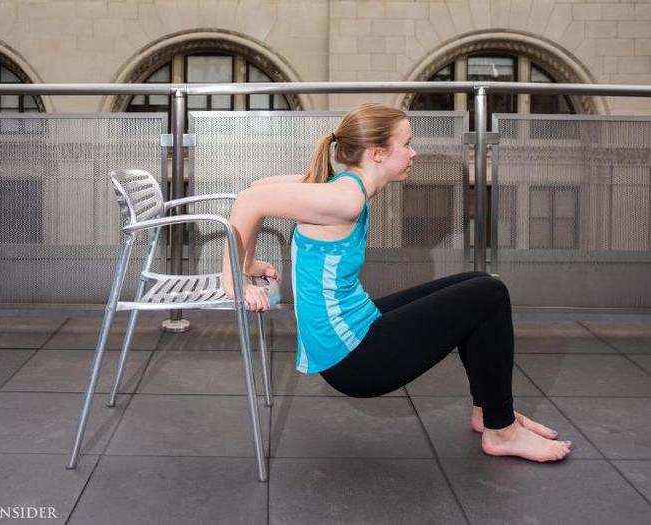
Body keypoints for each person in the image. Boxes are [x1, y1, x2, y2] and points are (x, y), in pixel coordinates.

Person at [222, 103, 572, 462]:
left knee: (478, 283)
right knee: (490, 293)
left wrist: (249, 262)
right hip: (354, 359)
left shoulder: (343, 185)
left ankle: (490, 411)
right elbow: (251, 201)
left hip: (356, 330)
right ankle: (502, 431)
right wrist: (235, 279)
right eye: (406, 143)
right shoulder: (346, 199)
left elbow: (254, 191)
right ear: (377, 153)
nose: (413, 152)